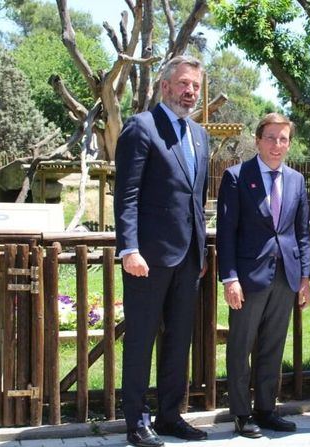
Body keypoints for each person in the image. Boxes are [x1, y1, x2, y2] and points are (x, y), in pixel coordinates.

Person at [114, 55, 209, 447]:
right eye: (184, 84)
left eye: (196, 87)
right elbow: (128, 194)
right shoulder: (142, 128)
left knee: (178, 342)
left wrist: (200, 254)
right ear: (165, 86)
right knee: (140, 340)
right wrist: (129, 248)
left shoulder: (199, 135)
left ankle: (171, 416)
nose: (190, 92)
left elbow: (197, 198)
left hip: (188, 260)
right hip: (147, 260)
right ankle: (135, 422)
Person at [216, 113, 310, 438]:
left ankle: (267, 409)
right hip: (248, 278)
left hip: (286, 276)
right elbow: (226, 233)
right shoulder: (236, 177)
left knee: (273, 346)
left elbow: (301, 234)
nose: (277, 144)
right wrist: (230, 278)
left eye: (283, 138)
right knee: (241, 346)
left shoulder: (297, 180)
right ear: (258, 140)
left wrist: (304, 278)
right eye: (271, 137)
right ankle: (242, 414)